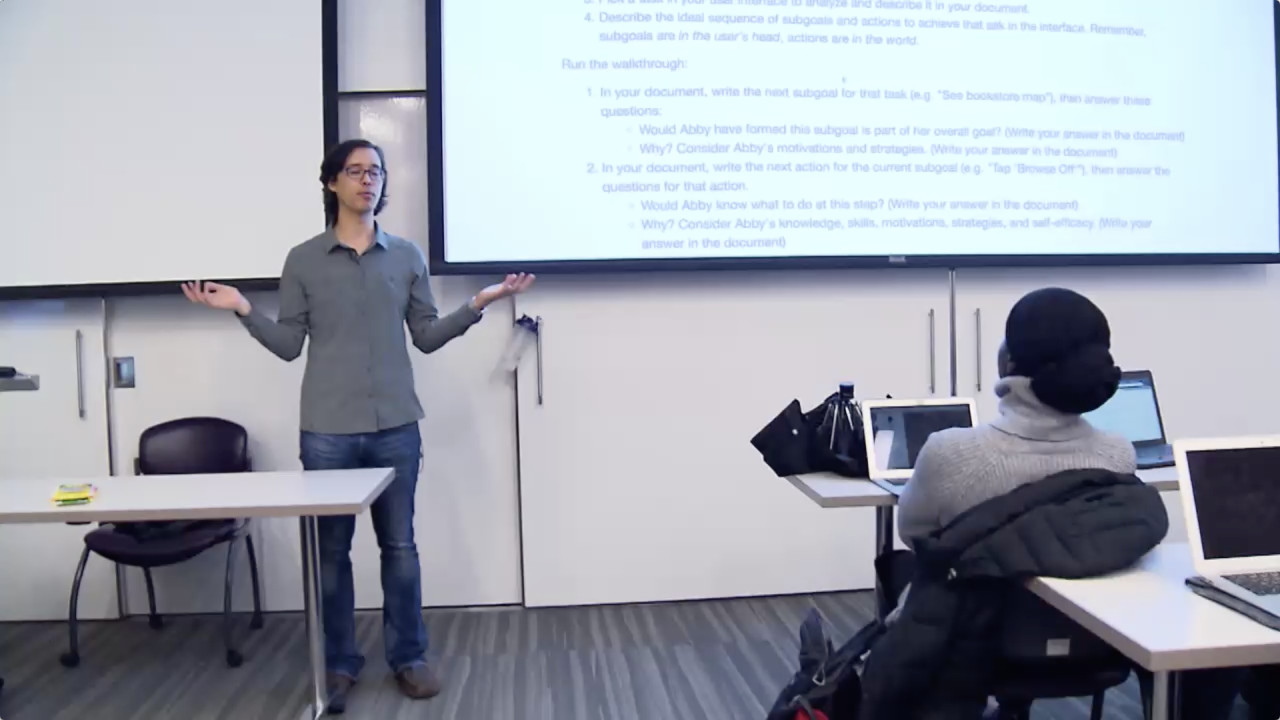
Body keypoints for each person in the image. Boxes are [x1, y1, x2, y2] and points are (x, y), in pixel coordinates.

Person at [182, 138, 534, 713]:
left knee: (400, 547)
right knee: (330, 555)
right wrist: (245, 310)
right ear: (331, 183)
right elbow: (288, 346)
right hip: (327, 432)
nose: (367, 181)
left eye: (375, 172)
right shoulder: (303, 260)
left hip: (397, 426)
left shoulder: (406, 256)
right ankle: (339, 664)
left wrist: (481, 302)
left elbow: (425, 335)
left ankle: (409, 658)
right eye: (355, 171)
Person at [898, 286, 1135, 545]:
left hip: (978, 586)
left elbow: (915, 537)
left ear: (1008, 362)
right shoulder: (1119, 455)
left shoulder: (951, 455)